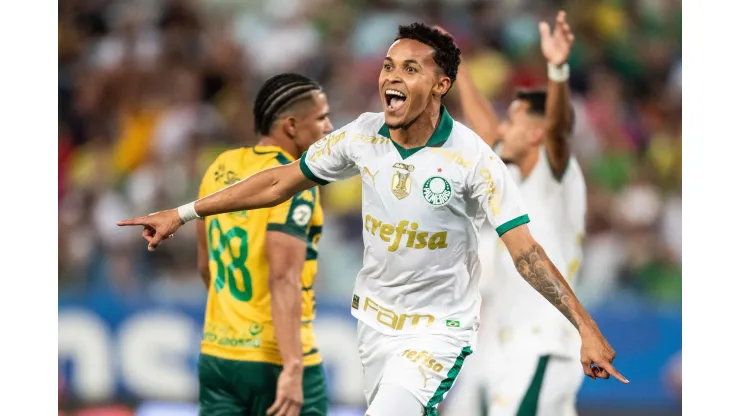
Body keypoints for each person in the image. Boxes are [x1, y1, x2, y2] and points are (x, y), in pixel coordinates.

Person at [118, 20, 627, 416]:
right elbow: (278, 181)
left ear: (442, 83)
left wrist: (584, 327)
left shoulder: (474, 160)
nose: (391, 77)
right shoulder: (361, 136)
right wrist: (183, 214)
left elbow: (528, 254)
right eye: (388, 66)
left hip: (438, 331)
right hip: (374, 325)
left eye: (410, 68)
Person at [442, 12, 589, 416]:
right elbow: (486, 134)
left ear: (537, 134)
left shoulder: (557, 176)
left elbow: (558, 130)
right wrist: (457, 67)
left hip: (544, 344)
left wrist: (557, 70)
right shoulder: (513, 179)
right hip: (502, 345)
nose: (502, 130)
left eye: (513, 121)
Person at [194, 73, 333, 416]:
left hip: (218, 354)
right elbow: (283, 277)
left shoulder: (220, 168)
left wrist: (233, 323)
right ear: (290, 126)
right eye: (321, 118)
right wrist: (292, 367)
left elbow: (205, 265)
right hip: (273, 358)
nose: (329, 127)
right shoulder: (294, 180)